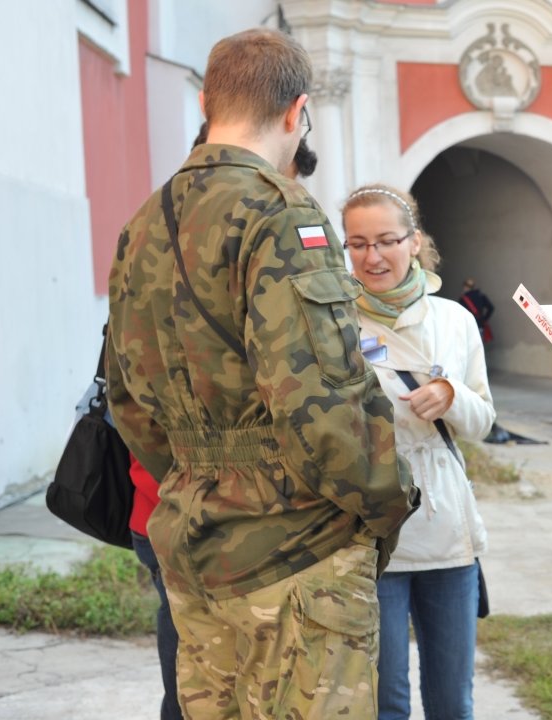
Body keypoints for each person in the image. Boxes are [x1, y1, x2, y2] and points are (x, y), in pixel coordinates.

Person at [106, 28, 417, 719]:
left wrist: (204, 468)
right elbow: (320, 405)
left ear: (208, 102)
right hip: (296, 553)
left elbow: (126, 401)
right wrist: (388, 500)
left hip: (194, 545)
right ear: (295, 112)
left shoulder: (143, 223)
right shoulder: (280, 210)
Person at [123, 115, 327, 720]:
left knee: (195, 685)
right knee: (242, 687)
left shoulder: (149, 239)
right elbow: (313, 404)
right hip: (237, 509)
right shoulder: (248, 249)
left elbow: (128, 395)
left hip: (172, 501)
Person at [341, 184, 495, 720]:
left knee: (453, 700)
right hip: (371, 530)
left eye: (386, 240)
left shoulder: (454, 319)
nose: (372, 257)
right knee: (385, 699)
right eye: (357, 244)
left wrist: (452, 395)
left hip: (446, 529)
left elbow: (483, 422)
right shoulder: (335, 322)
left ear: (414, 242)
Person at [459, 278, 495, 344]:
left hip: (468, 328)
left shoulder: (463, 299)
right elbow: (491, 308)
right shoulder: (481, 296)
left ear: (466, 287)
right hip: (480, 325)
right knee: (479, 349)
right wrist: (484, 319)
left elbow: (460, 315)